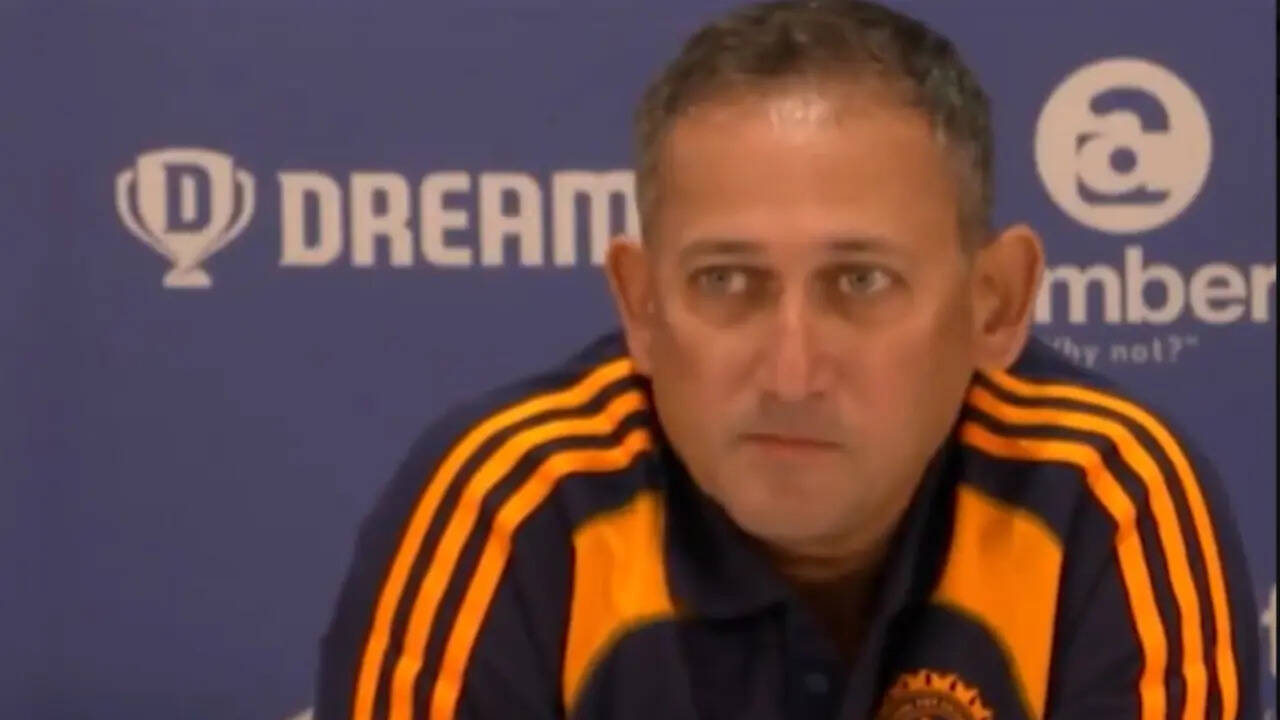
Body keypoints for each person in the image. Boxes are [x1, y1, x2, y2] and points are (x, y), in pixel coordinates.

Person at [315, 1, 1261, 718]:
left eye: (861, 283)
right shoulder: (509, 504)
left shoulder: (1108, 497)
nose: (792, 373)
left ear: (996, 304)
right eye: (727, 282)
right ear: (640, 304)